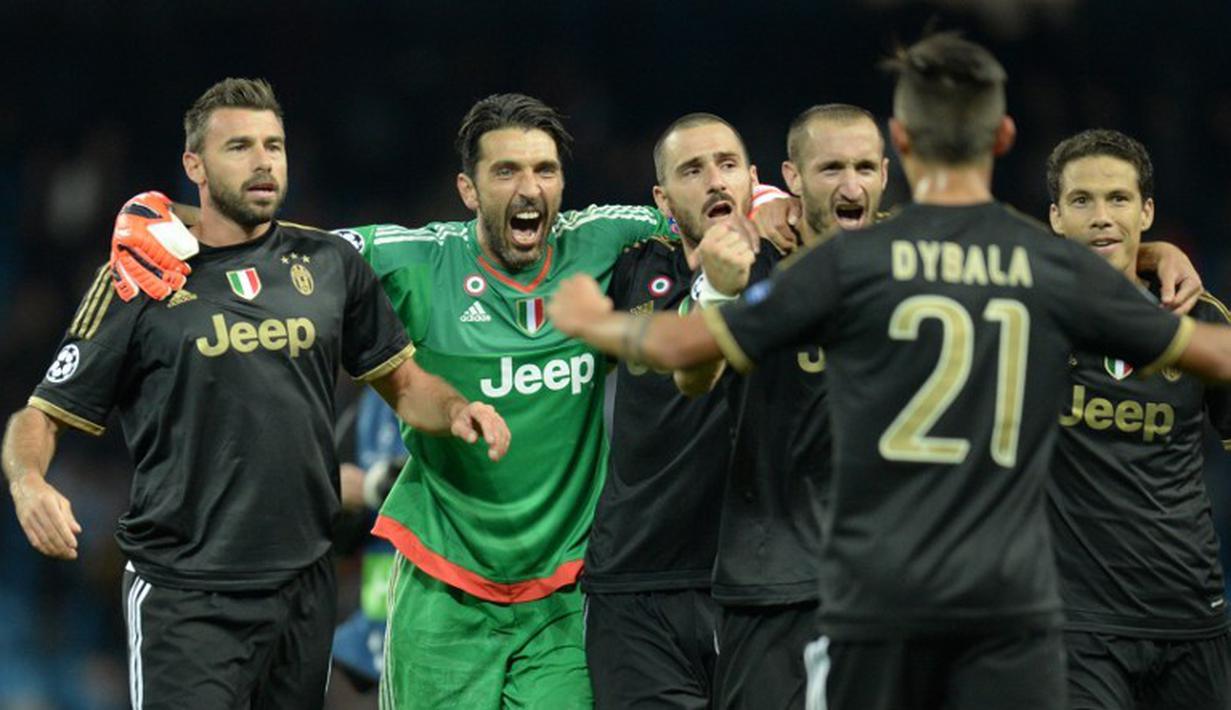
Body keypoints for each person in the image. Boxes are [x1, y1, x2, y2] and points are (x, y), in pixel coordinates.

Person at [546, 33, 1231, 710]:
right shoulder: (1034, 257)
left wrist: (594, 319)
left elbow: (686, 358)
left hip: (858, 586)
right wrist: (1148, 255)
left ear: (899, 144)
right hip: (988, 597)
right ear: (1001, 137)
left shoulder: (850, 263)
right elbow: (1211, 352)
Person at [104, 92, 797, 708]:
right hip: (443, 589)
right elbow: (282, 247)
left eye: (544, 171)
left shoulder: (603, 238)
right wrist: (162, 213)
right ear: (468, 190)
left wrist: (767, 203)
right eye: (505, 172)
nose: (529, 188)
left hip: (564, 594)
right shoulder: (413, 259)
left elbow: (701, 203)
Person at [1, 77, 509, 710]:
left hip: (305, 588)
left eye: (275, 145)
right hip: (186, 596)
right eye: (239, 146)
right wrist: (29, 484)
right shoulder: (139, 273)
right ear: (195, 165)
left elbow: (404, 385)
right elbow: (40, 416)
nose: (264, 160)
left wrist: (457, 409)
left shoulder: (329, 264)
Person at [1045, 128, 1231, 710]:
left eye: (1118, 200)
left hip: (1191, 616)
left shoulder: (1200, 317)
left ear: (1146, 210)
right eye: (1082, 201)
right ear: (1054, 218)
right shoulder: (1026, 316)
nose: (1102, 216)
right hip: (1076, 625)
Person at [582, 112, 758, 709]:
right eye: (693, 170)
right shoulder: (629, 271)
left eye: (728, 166)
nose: (715, 181)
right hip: (634, 584)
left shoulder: (795, 270)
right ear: (661, 198)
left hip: (755, 586)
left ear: (755, 181)